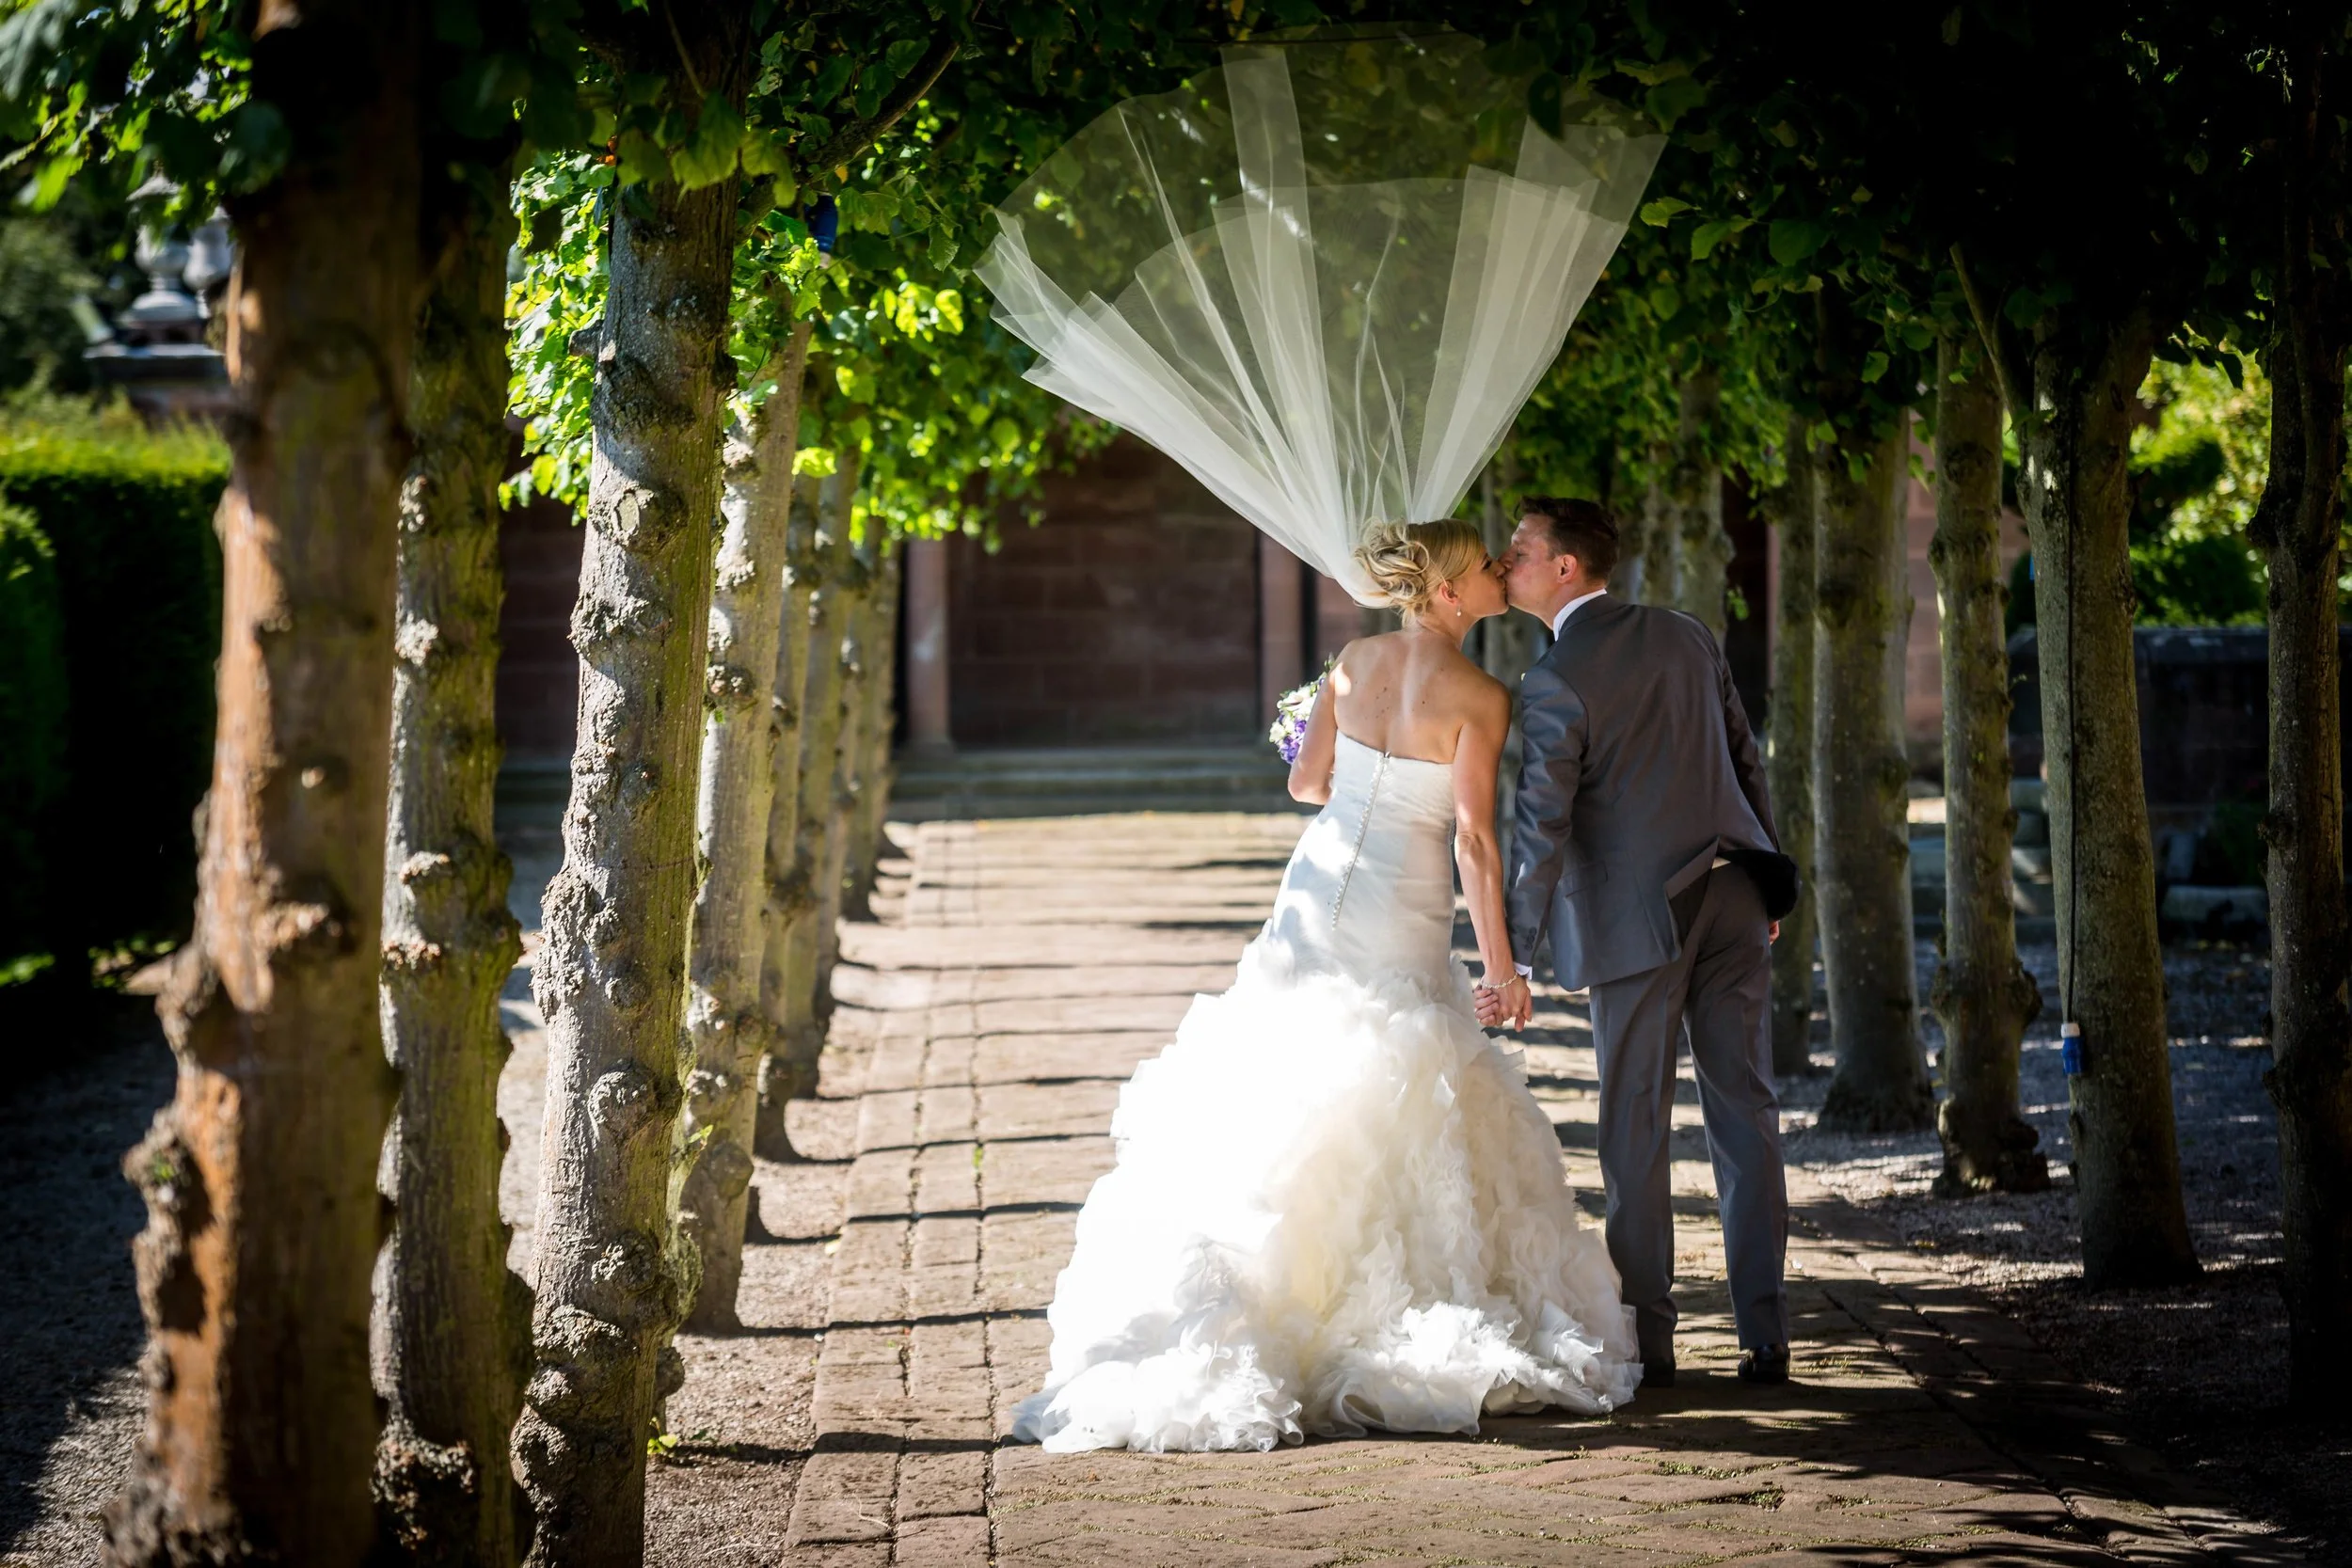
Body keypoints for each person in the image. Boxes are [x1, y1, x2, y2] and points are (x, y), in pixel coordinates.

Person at [1009, 519, 1641, 1453]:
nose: (1499, 575)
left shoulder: (1349, 660)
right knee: (1394, 1067)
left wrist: (1328, 734)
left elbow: (1308, 783)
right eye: (1483, 569)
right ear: (1447, 594)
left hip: (1317, 883)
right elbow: (1472, 838)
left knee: (1295, 1062)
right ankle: (1363, 1299)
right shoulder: (1479, 693)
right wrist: (1499, 965)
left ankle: (1271, 1285)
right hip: (1402, 896)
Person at [1483, 497, 1795, 1387]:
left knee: (1633, 1129)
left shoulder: (1553, 680)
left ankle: (1653, 1346)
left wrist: (1518, 953)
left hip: (1635, 925)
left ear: (1567, 568)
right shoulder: (1688, 634)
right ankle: (1765, 1336)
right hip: (1738, 890)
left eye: (1521, 552)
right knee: (1748, 1113)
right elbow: (1746, 755)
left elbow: (1538, 823)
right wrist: (1767, 870)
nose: (1508, 564)